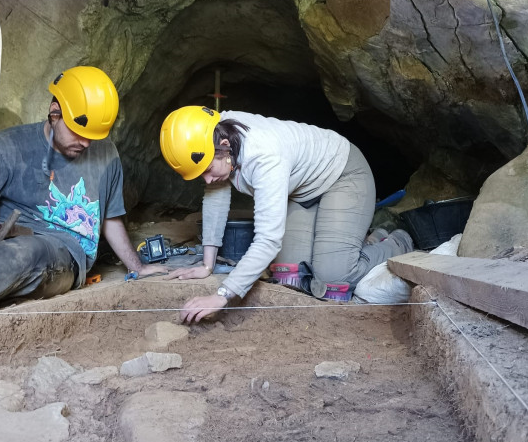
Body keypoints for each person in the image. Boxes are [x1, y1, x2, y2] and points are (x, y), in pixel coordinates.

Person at [0, 66, 163, 323]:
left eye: (92, 135)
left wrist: (137, 266)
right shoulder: (7, 145)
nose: (85, 142)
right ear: (54, 112)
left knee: (26, 253)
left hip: (59, 250)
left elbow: (110, 220)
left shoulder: (107, 155)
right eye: (78, 131)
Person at [160, 105, 413, 323]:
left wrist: (222, 294)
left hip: (343, 176)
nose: (207, 179)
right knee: (290, 275)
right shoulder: (214, 132)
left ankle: (397, 241)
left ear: (224, 146)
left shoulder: (264, 155)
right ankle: (358, 240)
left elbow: (268, 239)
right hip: (302, 193)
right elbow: (216, 194)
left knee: (334, 279)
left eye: (207, 169)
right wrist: (207, 264)